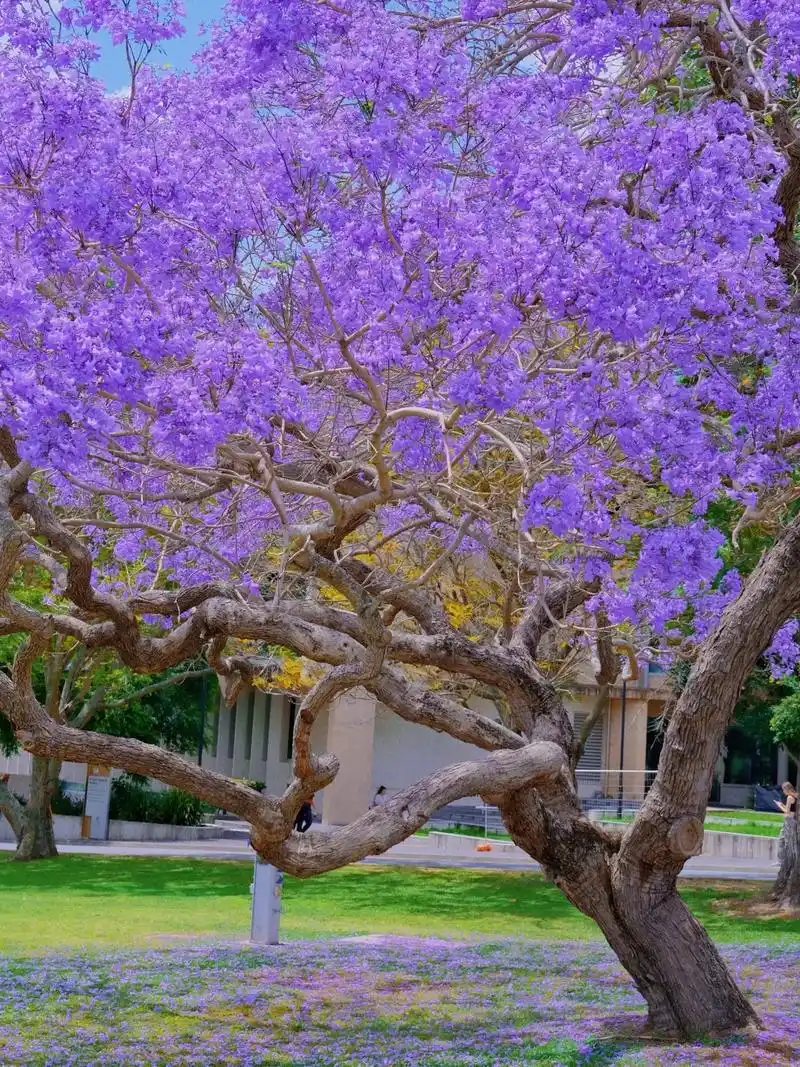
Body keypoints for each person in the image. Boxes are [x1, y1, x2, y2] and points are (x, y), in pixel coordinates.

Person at [775, 781, 797, 869]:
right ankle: (781, 861)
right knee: (782, 839)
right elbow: (792, 810)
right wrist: (783, 805)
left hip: (789, 821)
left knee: (786, 841)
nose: (783, 792)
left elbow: (787, 812)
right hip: (792, 820)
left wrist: (779, 806)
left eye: (783, 790)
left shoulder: (789, 797)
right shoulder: (796, 796)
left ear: (786, 789)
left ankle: (787, 862)